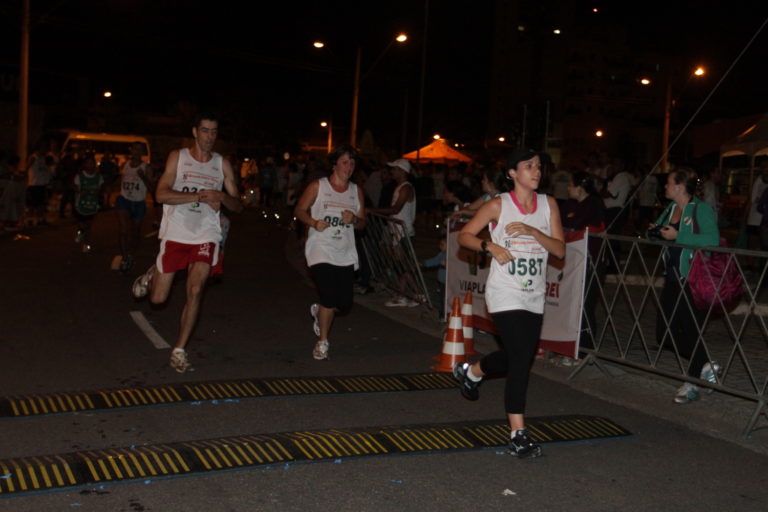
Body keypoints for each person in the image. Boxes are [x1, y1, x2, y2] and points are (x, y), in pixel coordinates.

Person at [453, 148, 565, 458]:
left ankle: (473, 371)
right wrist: (489, 246)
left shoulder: (548, 205)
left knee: (521, 356)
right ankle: (518, 434)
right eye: (528, 166)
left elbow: (559, 250)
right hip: (504, 292)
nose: (536, 171)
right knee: (520, 362)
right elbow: (464, 236)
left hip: (533, 294)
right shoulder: (498, 205)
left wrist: (532, 232)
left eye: (539, 166)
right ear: (512, 173)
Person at [132, 112, 242, 373]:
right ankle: (153, 273)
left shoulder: (221, 164)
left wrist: (221, 197)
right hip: (176, 232)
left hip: (206, 234)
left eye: (214, 132)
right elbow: (160, 194)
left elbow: (237, 205)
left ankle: (179, 350)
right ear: (194, 132)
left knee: (195, 290)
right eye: (205, 131)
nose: (209, 137)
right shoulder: (178, 157)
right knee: (158, 299)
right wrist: (198, 198)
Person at [649, 168, 720, 404]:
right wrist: (655, 231)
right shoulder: (670, 209)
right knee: (664, 333)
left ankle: (691, 384)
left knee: (690, 330)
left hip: (693, 279)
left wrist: (677, 236)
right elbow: (658, 232)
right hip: (672, 277)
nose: (665, 187)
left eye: (668, 183)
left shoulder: (701, 209)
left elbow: (712, 240)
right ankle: (705, 366)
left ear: (680, 186)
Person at [294, 144, 366, 360]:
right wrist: (314, 222)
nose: (349, 167)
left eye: (352, 163)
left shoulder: (356, 191)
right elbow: (299, 210)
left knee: (343, 304)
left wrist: (354, 219)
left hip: (344, 250)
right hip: (320, 248)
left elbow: (363, 224)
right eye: (345, 162)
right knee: (328, 295)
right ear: (335, 164)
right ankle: (323, 342)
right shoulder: (319, 186)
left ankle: (320, 313)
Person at [561, 171, 606, 353]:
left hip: (591, 261)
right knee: (569, 303)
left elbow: (596, 229)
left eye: (570, 184)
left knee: (585, 304)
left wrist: (575, 231)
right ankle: (567, 344)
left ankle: (585, 348)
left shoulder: (594, 204)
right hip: (570, 261)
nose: (567, 188)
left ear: (579, 188)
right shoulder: (569, 204)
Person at [371, 158, 418, 307]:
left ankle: (418, 293)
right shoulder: (400, 187)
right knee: (401, 265)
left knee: (403, 265)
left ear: (402, 171)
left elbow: (396, 209)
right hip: (397, 231)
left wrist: (372, 210)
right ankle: (403, 295)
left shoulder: (406, 188)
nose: (391, 172)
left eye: (394, 169)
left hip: (403, 232)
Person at [115, 142, 152, 273]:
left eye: (139, 149)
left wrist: (143, 177)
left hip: (138, 203)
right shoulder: (124, 165)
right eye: (134, 149)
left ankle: (131, 254)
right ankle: (125, 258)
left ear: (142, 152)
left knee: (135, 233)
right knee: (123, 230)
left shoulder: (146, 167)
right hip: (124, 200)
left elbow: (152, 188)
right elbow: (120, 182)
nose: (136, 151)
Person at [73, 154, 104, 252]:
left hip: (92, 205)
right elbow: (74, 186)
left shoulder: (98, 177)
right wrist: (79, 191)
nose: (91, 165)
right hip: (81, 205)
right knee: (81, 224)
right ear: (85, 165)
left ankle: (86, 244)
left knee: (89, 225)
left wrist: (99, 193)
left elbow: (102, 187)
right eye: (88, 163)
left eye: (92, 163)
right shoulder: (80, 176)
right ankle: (80, 232)